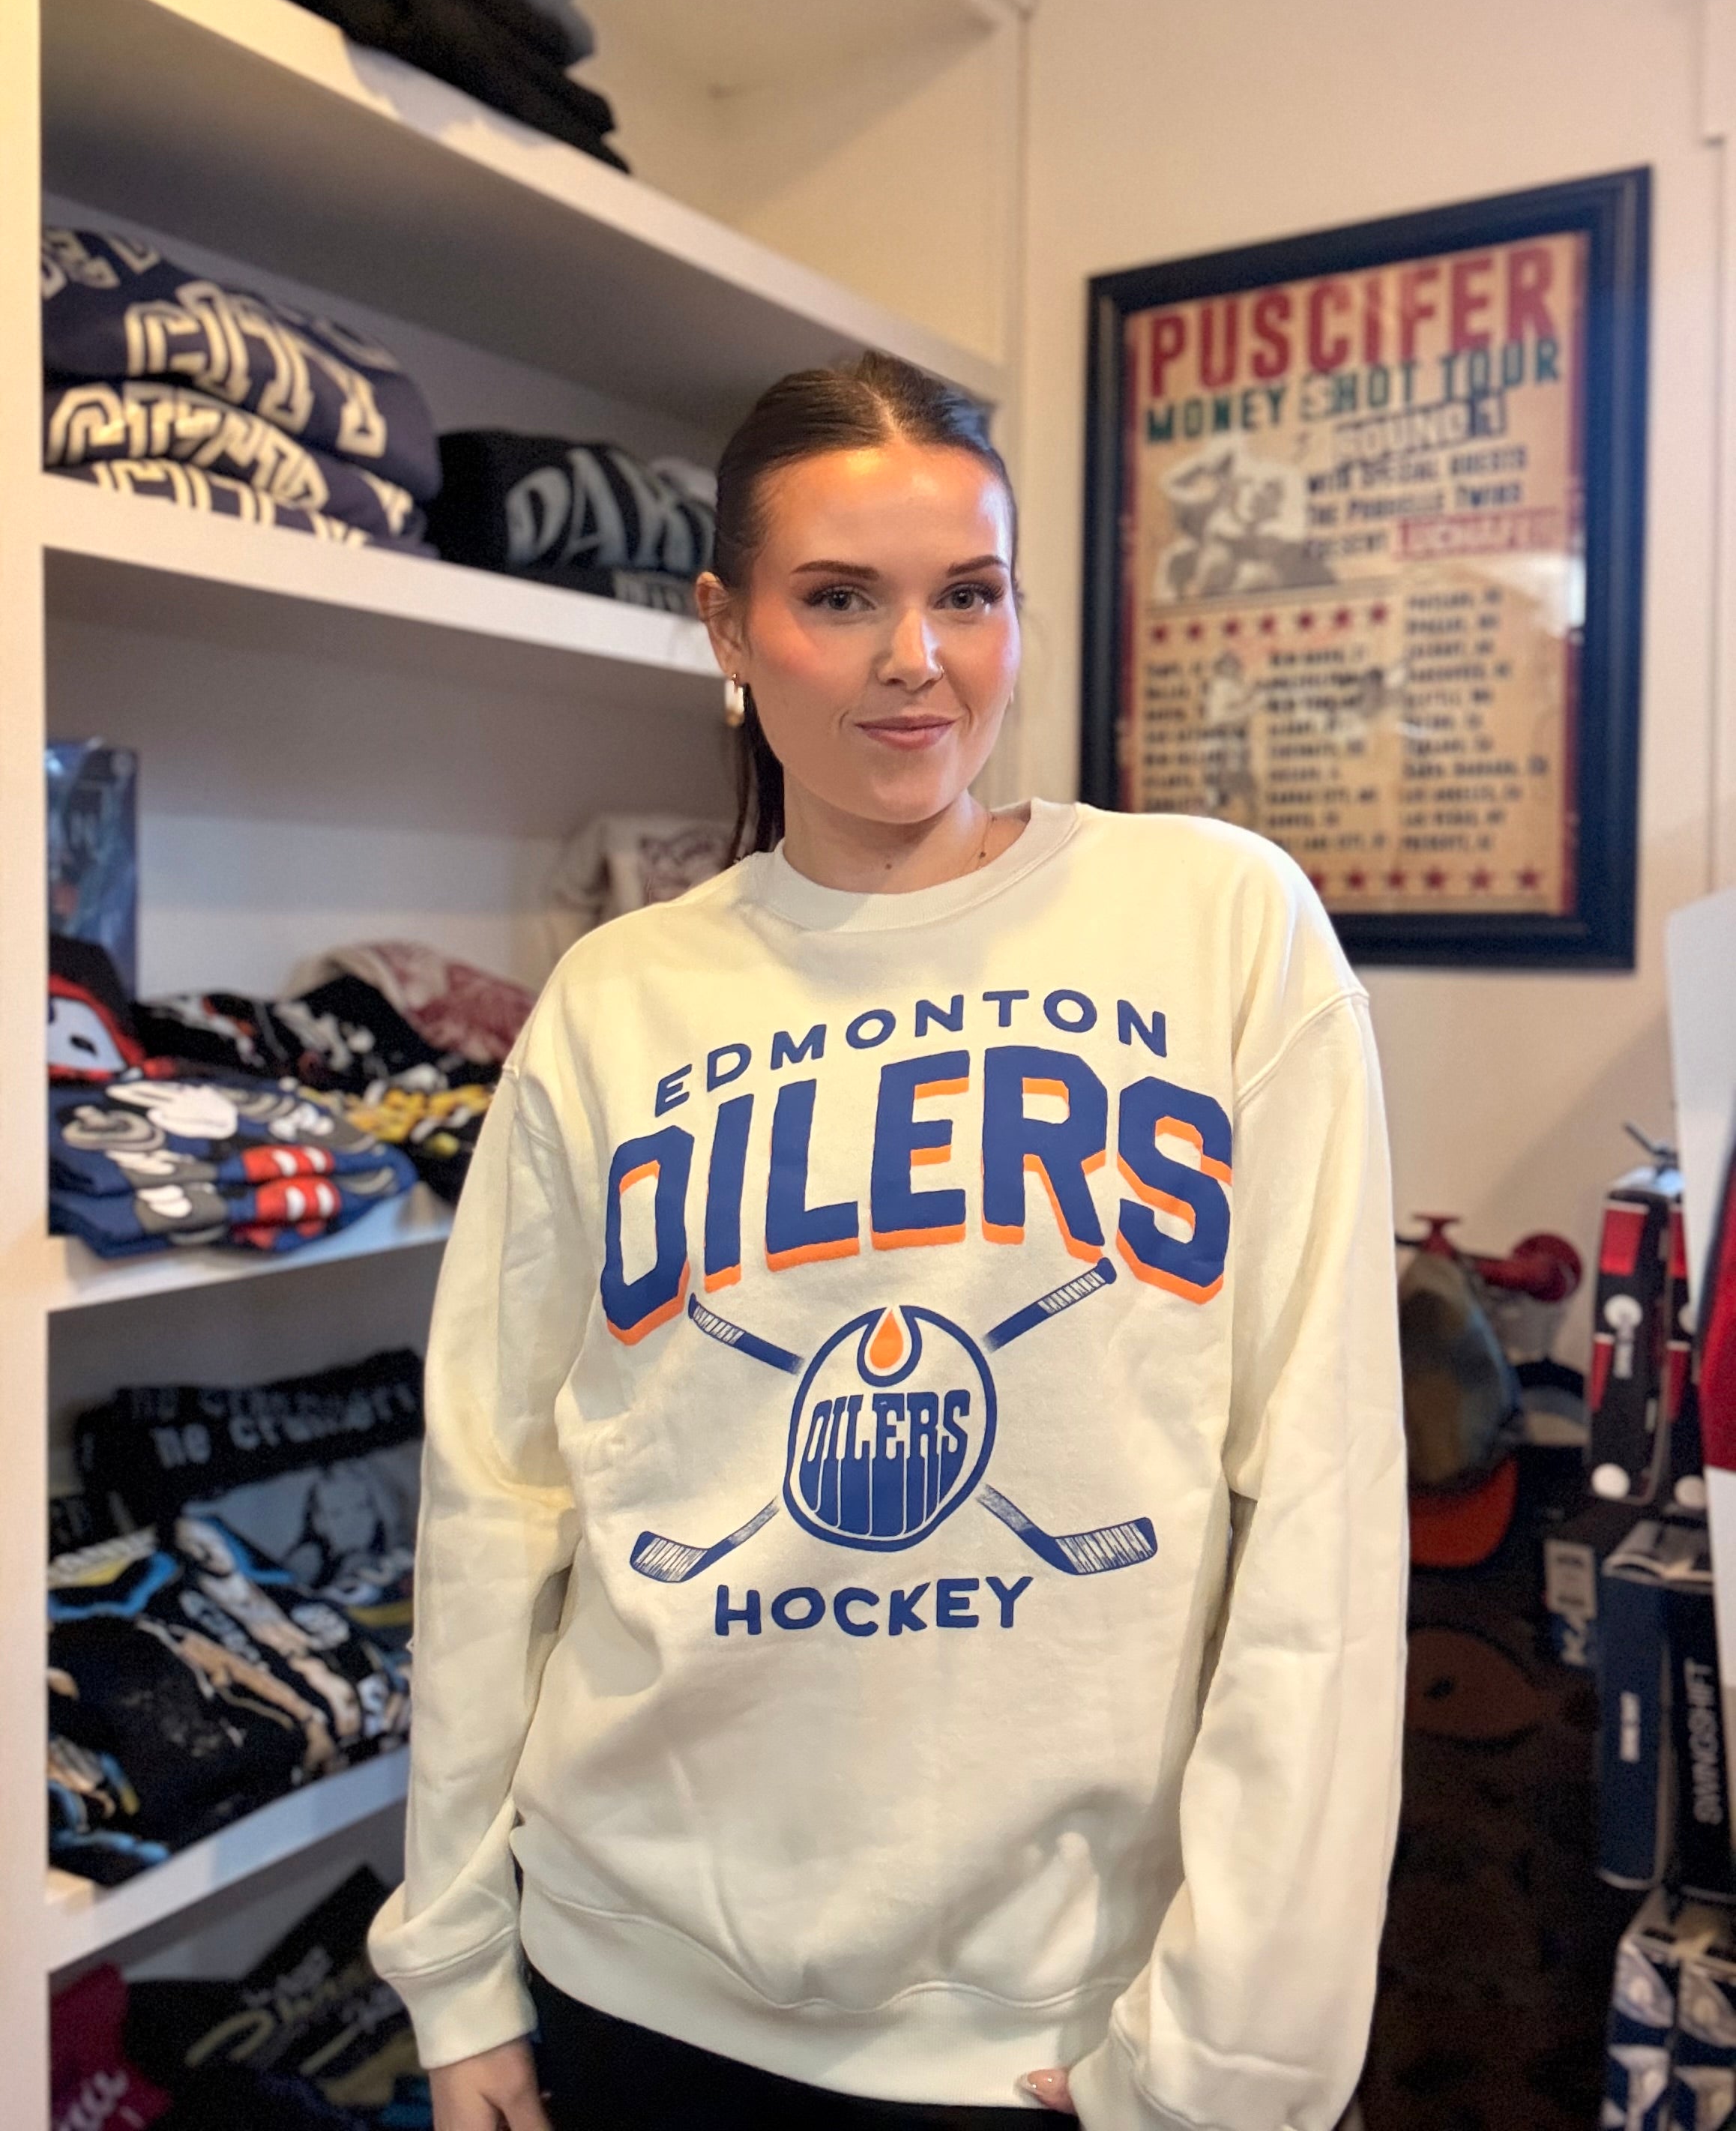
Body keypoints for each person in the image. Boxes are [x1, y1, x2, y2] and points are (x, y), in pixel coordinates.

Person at [370, 353, 1407, 2131]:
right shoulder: (616, 999)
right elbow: (496, 1500)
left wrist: (1235, 2053)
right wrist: (457, 1968)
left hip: (1057, 2032)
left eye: (969, 595)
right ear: (726, 623)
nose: (916, 658)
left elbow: (1321, 1509)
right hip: (633, 1982)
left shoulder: (1219, 923)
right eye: (841, 597)